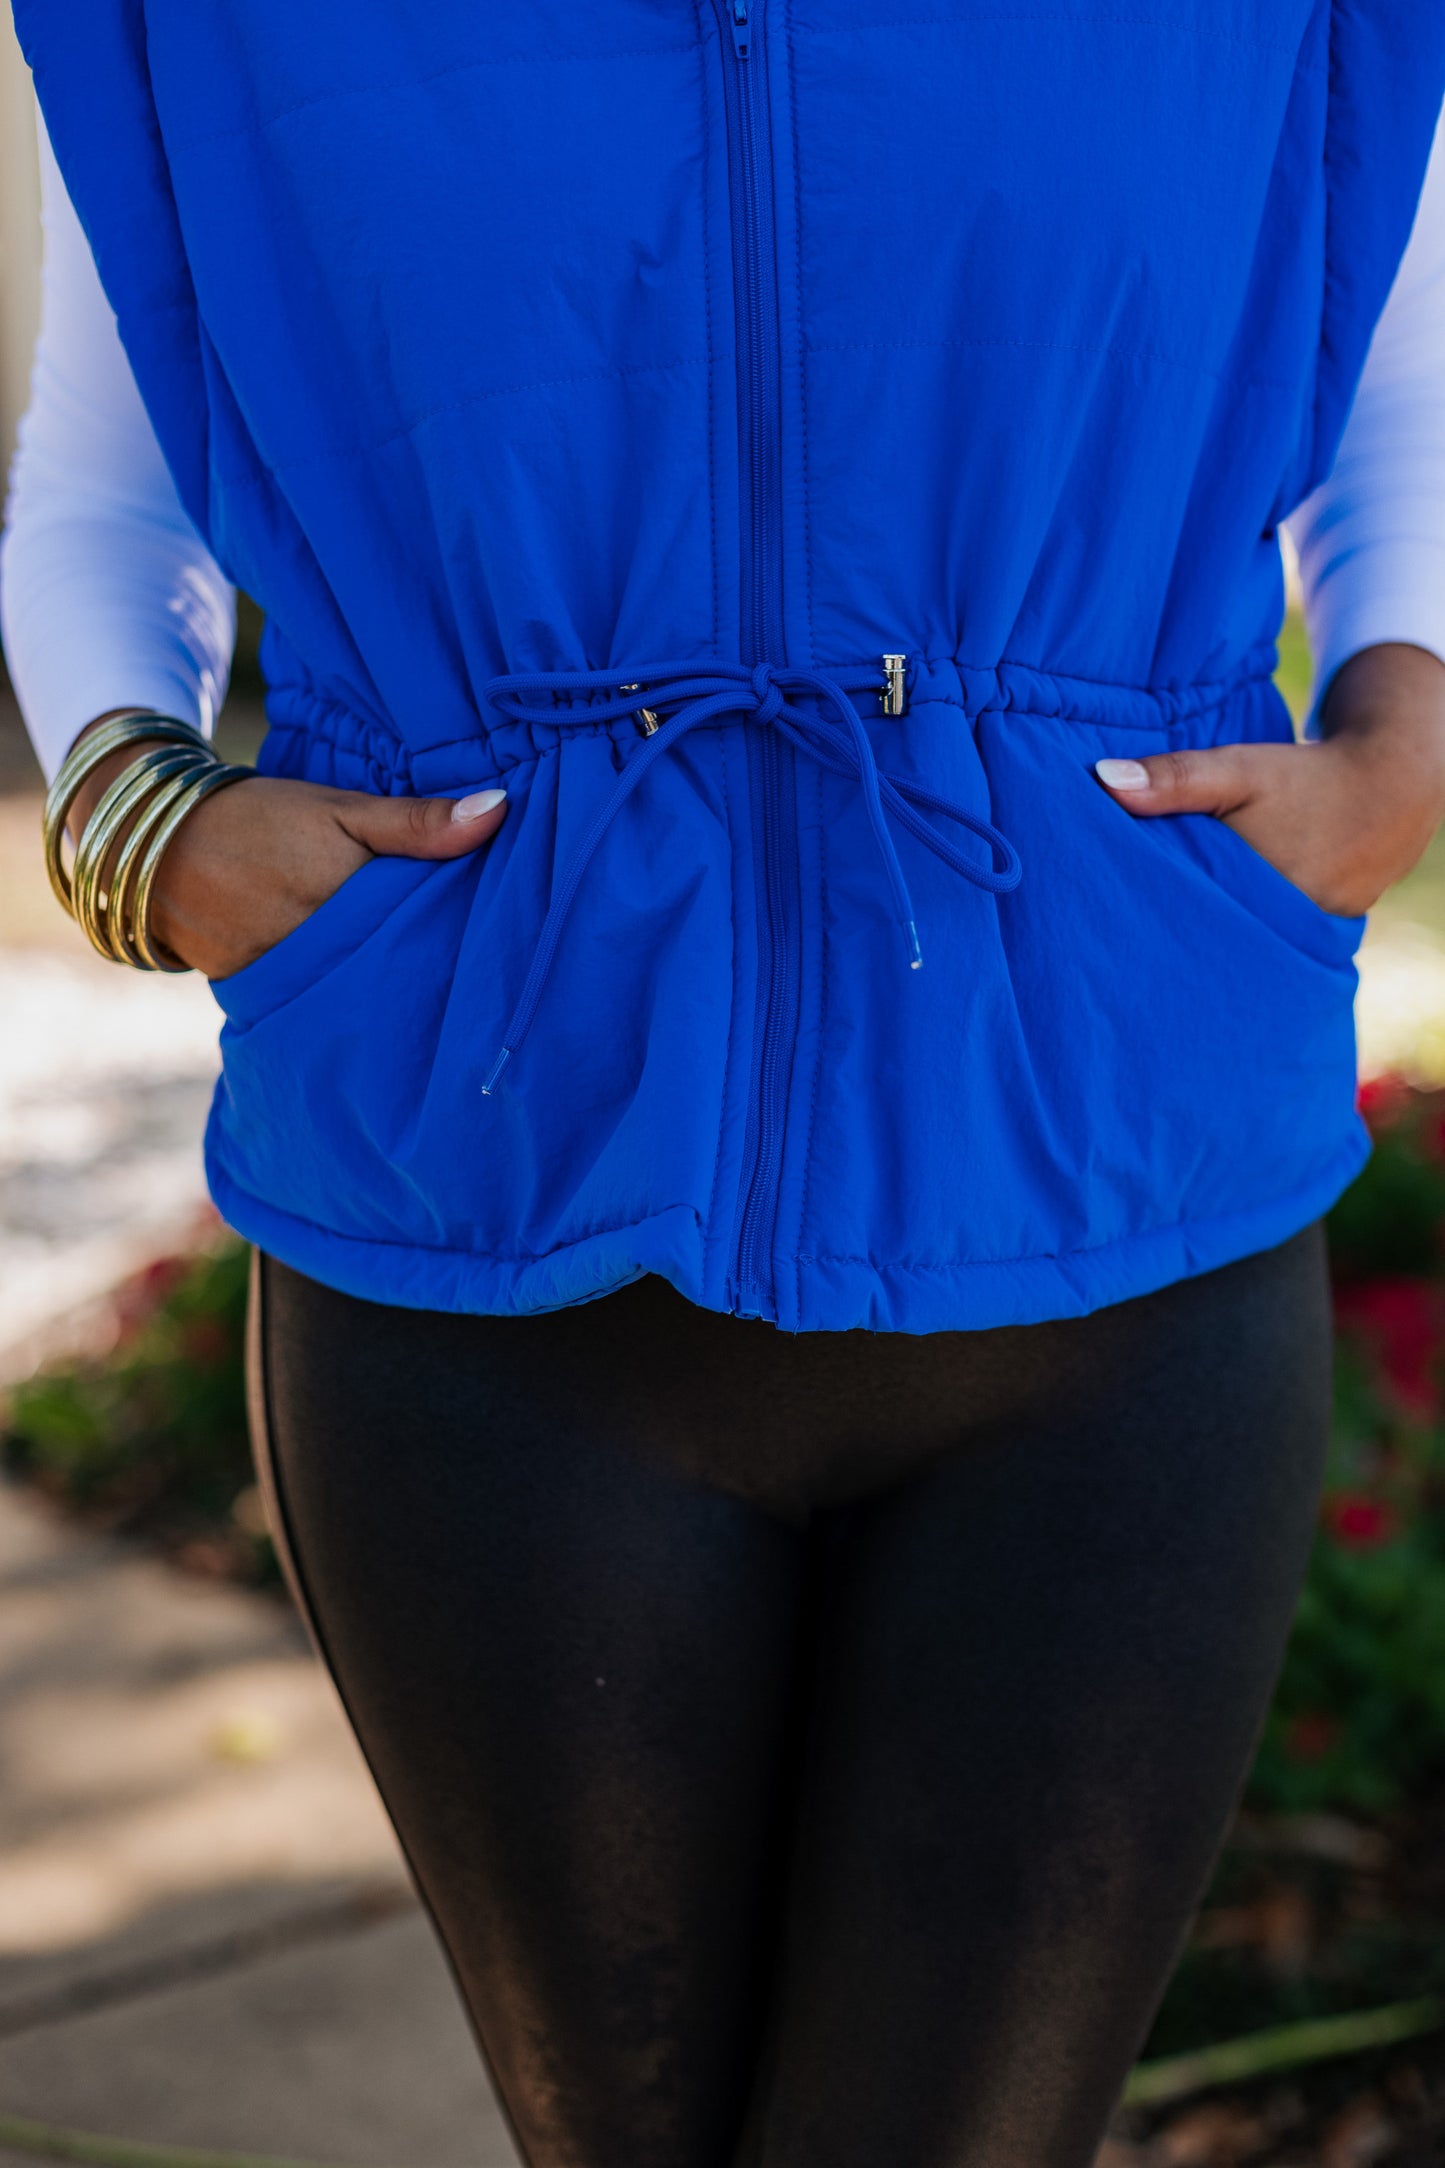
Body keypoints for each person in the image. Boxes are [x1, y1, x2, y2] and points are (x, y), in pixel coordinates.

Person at [5, 10, 1445, 2163]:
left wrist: (1404, 731)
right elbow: (117, 471)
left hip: (1118, 1204)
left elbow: (1380, 345)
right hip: (478, 1220)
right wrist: (146, 824)